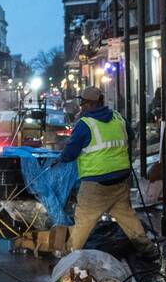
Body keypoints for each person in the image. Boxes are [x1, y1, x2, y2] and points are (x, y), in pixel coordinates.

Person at [56, 86, 159, 260]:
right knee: (127, 216)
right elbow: (131, 137)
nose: (81, 107)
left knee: (84, 221)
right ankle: (148, 249)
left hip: (96, 184)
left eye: (82, 103)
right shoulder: (118, 118)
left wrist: (61, 157)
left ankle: (68, 260)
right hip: (121, 179)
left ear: (88, 104)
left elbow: (69, 154)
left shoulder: (85, 124)